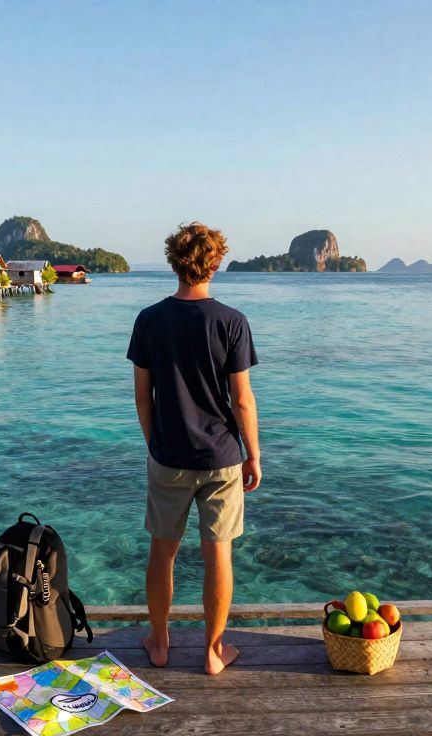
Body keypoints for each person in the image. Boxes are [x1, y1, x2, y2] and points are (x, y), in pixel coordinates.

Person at [126, 222, 261, 676]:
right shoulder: (231, 322)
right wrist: (253, 454)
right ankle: (213, 651)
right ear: (216, 262)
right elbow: (241, 400)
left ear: (173, 262)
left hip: (168, 455)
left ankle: (160, 642)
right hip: (222, 456)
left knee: (162, 551)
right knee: (217, 553)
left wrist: (155, 442)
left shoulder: (149, 320)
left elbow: (142, 396)